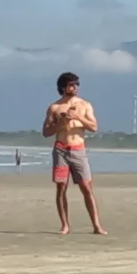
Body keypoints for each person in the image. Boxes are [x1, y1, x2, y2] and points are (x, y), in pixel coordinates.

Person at [43, 73, 105, 236]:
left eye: (76, 84)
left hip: (78, 148)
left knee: (86, 187)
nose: (75, 87)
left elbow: (94, 127)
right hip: (61, 149)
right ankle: (65, 225)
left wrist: (77, 116)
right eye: (71, 85)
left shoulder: (84, 105)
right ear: (63, 87)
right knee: (61, 187)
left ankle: (96, 225)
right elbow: (46, 132)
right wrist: (61, 124)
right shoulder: (54, 107)